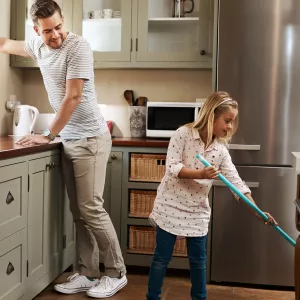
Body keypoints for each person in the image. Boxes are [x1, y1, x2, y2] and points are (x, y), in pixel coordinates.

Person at [0, 0, 127, 298]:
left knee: (91, 209)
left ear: (63, 21)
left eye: (58, 27)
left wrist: (47, 135)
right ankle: (87, 272)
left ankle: (116, 271)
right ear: (37, 30)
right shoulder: (38, 46)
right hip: (69, 138)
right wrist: (56, 136)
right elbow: (6, 44)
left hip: (90, 138)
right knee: (79, 211)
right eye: (47, 31)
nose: (55, 35)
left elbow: (73, 96)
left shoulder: (78, 47)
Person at [146, 91, 278, 300]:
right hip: (170, 205)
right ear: (211, 115)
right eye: (227, 121)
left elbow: (237, 184)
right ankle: (152, 297)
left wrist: (258, 212)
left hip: (197, 210)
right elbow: (172, 167)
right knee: (161, 258)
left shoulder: (220, 151)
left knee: (198, 261)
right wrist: (200, 173)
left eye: (232, 122)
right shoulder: (183, 134)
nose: (229, 127)